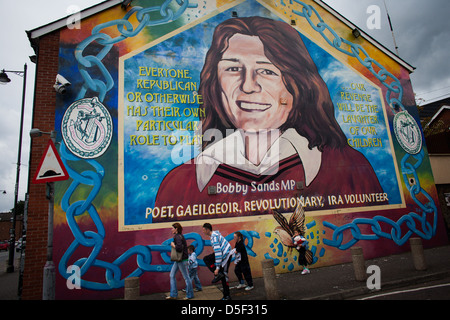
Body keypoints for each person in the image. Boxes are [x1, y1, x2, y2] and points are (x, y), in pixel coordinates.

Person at [154, 16, 386, 220]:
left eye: (267, 71)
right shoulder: (179, 185)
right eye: (233, 69)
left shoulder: (347, 168)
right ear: (215, 84)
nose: (248, 86)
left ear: (298, 86)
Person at [202, 223, 233, 300]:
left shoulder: (214, 238)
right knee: (207, 259)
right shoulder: (213, 235)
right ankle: (219, 274)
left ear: (207, 229)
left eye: (203, 230)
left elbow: (218, 253)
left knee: (224, 275)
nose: (203, 231)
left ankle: (227, 296)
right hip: (224, 253)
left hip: (225, 255)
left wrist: (217, 268)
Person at [167, 223, 194, 300]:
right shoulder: (180, 236)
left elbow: (179, 248)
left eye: (172, 228)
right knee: (172, 275)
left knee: (186, 277)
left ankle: (189, 295)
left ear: (176, 229)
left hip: (181, 259)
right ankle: (173, 294)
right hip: (179, 259)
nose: (171, 229)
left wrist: (173, 245)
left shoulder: (177, 237)